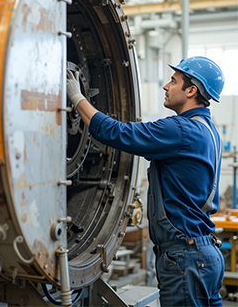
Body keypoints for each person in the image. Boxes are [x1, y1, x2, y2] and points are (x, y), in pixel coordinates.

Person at [67, 56, 225, 307]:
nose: (166, 86)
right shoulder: (208, 129)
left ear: (191, 90)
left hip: (185, 257)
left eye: (173, 81)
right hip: (205, 254)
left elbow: (116, 133)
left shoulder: (180, 130)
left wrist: (77, 98)